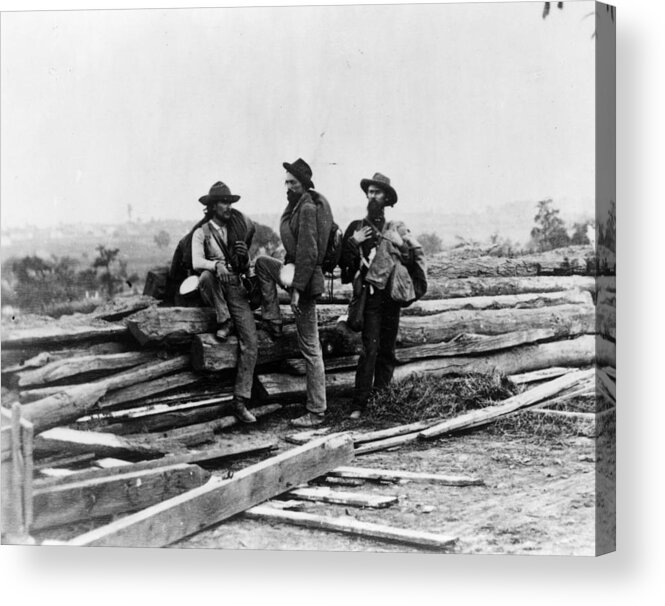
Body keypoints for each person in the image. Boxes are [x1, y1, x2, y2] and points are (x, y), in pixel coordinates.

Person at [340, 172, 427, 419]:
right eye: (369, 192)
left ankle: (382, 400)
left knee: (387, 350)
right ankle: (359, 405)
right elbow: (344, 268)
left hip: (391, 297)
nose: (372, 196)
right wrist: (353, 243)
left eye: (377, 192)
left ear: (387, 198)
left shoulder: (396, 229)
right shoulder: (356, 228)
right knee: (369, 349)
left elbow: (410, 261)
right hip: (370, 297)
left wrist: (400, 245)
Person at [255, 158, 333, 428]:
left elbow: (309, 253)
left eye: (293, 182)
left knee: (311, 348)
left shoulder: (308, 209)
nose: (287, 186)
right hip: (295, 271)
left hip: (307, 282)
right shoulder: (295, 206)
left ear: (304, 185)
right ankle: (273, 319)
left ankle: (316, 410)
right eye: (286, 182)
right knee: (263, 263)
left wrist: (297, 291)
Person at [191, 180, 259, 423]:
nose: (228, 206)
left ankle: (240, 401)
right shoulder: (202, 232)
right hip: (216, 287)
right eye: (223, 202)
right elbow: (196, 262)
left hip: (236, 287)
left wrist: (243, 258)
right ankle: (224, 319)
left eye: (230, 202)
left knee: (251, 342)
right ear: (212, 206)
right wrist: (215, 264)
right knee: (207, 276)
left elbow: (244, 265)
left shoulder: (236, 229)